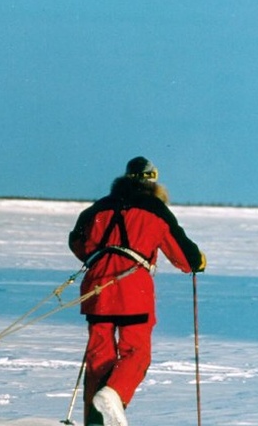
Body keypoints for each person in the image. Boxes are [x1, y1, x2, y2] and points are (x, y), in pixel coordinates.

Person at [68, 156, 206, 426]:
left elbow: (77, 243)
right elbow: (185, 257)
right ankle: (114, 395)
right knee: (136, 354)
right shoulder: (155, 210)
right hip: (133, 291)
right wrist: (198, 261)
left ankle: (95, 422)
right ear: (153, 181)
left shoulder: (98, 208)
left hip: (98, 288)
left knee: (99, 356)